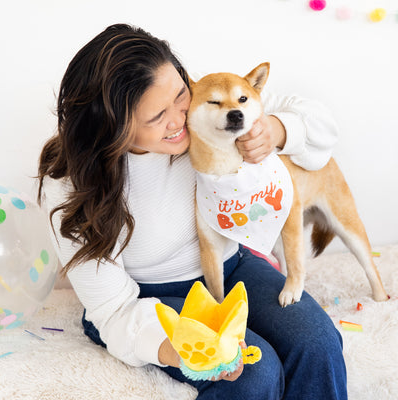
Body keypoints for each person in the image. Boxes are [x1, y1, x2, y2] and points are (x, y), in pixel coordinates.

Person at [38, 23, 347, 399]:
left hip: (230, 266)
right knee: (254, 370)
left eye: (181, 95)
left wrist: (277, 130)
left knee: (317, 343)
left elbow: (320, 126)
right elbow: (113, 310)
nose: (180, 118)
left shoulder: (204, 108)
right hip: (142, 299)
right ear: (111, 126)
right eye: (157, 117)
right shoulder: (68, 184)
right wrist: (176, 348)